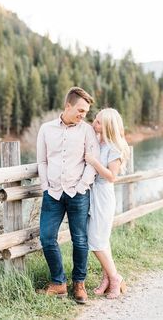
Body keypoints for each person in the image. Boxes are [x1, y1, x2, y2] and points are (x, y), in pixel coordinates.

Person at [36, 87, 100, 304]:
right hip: (52, 193)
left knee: (80, 240)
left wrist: (83, 186)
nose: (83, 115)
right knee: (46, 237)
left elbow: (92, 161)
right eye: (81, 110)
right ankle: (58, 282)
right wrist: (45, 186)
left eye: (86, 112)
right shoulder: (46, 129)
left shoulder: (87, 130)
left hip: (78, 193)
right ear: (68, 106)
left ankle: (79, 284)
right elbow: (42, 161)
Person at [85, 108, 130, 299]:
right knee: (100, 239)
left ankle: (115, 277)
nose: (93, 123)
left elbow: (112, 176)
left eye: (97, 122)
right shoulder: (98, 142)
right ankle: (106, 279)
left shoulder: (114, 148)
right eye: (95, 120)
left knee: (96, 241)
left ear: (107, 126)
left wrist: (94, 163)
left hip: (103, 195)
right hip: (92, 194)